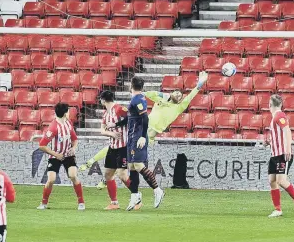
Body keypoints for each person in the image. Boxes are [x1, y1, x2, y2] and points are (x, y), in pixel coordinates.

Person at [80, 72, 209, 186]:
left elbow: (191, 95)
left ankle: (113, 179)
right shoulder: (160, 100)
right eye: (175, 92)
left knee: (133, 164)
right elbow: (146, 94)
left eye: (180, 95)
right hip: (139, 130)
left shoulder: (179, 107)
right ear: (171, 93)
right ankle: (95, 165)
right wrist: (163, 95)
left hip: (149, 137)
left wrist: (200, 83)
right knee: (119, 149)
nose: (178, 95)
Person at [124, 77, 164, 211]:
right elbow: (131, 118)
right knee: (131, 166)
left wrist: (142, 137)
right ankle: (135, 195)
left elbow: (145, 117)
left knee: (138, 165)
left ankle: (157, 190)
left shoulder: (138, 99)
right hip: (131, 137)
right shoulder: (135, 99)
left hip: (137, 137)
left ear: (131, 85)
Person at [36, 103, 85, 210]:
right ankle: (43, 203)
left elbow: (75, 139)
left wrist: (74, 148)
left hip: (68, 155)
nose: (69, 113)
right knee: (51, 179)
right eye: (68, 111)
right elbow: (41, 145)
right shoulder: (53, 127)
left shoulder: (68, 123)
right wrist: (56, 155)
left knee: (73, 175)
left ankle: (81, 202)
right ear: (64, 113)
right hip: (55, 156)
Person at [265, 94, 294, 218]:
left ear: (270, 104)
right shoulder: (275, 117)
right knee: (272, 181)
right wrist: (269, 142)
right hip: (274, 154)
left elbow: (286, 130)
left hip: (282, 154)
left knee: (281, 181)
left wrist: (287, 149)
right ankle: (278, 209)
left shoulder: (279, 115)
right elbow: (279, 134)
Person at [98, 90, 132, 210]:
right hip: (112, 147)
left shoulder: (119, 109)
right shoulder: (105, 114)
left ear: (102, 100)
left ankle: (137, 196)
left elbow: (129, 118)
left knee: (122, 174)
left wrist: (116, 126)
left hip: (123, 146)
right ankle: (114, 203)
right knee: (108, 174)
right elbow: (102, 131)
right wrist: (111, 134)